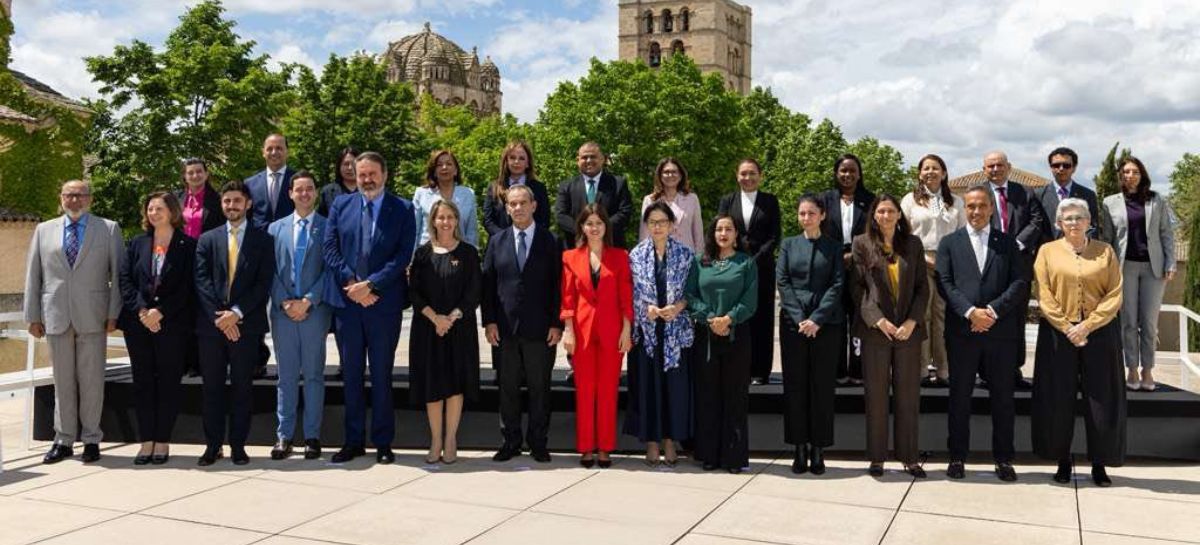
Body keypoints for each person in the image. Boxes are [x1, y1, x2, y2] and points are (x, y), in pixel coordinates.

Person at [322, 151, 416, 465]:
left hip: (382, 305)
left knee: (381, 376)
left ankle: (383, 442)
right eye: (361, 174)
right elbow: (330, 248)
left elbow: (402, 255)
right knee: (350, 376)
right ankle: (352, 441)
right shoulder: (340, 205)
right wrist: (353, 284)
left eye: (372, 173)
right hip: (348, 305)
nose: (366, 179)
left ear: (385, 174)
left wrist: (372, 285)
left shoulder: (402, 209)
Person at [935, 186, 1030, 482]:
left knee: (1003, 398)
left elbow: (1019, 281)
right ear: (966, 209)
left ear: (991, 208)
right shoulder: (949, 243)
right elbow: (944, 282)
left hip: (999, 334)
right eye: (971, 207)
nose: (976, 212)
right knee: (959, 397)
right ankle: (957, 457)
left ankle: (1003, 459)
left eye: (981, 206)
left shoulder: (1008, 244)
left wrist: (991, 312)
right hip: (962, 332)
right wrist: (970, 313)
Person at [25, 180, 123, 464]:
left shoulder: (108, 229)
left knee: (92, 382)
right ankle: (64, 440)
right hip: (55, 316)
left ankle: (92, 439)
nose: (74, 200)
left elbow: (118, 275)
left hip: (94, 316)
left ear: (89, 199)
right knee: (62, 382)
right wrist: (32, 315)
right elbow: (34, 275)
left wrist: (114, 312)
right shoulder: (44, 230)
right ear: (61, 198)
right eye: (69, 195)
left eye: (80, 195)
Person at [1032, 198, 1124, 487]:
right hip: (1059, 334)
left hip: (1099, 332)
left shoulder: (1105, 252)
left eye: (1079, 217)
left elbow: (1115, 293)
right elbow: (1044, 293)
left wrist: (1088, 325)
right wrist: (1066, 326)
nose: (1073, 222)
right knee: (1059, 399)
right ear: (1059, 223)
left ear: (1089, 222)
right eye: (1068, 218)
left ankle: (1099, 464)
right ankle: (1061, 460)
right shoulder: (1047, 251)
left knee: (1101, 399)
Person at [193, 180, 275, 466]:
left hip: (246, 326)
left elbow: (263, 284)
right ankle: (213, 445)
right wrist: (221, 316)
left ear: (248, 204)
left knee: (242, 388)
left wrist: (236, 314)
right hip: (211, 328)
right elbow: (201, 282)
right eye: (227, 201)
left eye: (237, 201)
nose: (231, 206)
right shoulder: (207, 239)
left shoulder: (263, 240)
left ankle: (238, 445)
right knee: (212, 389)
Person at [482, 184, 563, 463]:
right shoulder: (497, 241)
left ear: (534, 206)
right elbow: (488, 285)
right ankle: (511, 441)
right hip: (504, 329)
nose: (517, 208)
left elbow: (557, 286)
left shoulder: (550, 241)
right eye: (512, 204)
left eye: (522, 203)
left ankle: (538, 442)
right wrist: (489, 321)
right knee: (507, 389)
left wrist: (557, 324)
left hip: (541, 330)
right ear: (506, 208)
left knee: (540, 389)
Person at [851, 194, 928, 478]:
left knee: (908, 397)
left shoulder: (913, 244)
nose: (885, 215)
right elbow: (858, 289)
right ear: (874, 215)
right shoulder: (862, 244)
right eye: (880, 211)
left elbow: (923, 288)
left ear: (899, 215)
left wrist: (911, 321)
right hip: (876, 332)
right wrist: (877, 320)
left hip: (908, 332)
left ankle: (909, 457)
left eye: (891, 211)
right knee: (876, 396)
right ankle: (877, 458)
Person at [118, 192, 195, 465]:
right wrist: (141, 310)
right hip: (138, 324)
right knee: (143, 383)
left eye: (159, 208)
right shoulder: (137, 243)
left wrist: (160, 312)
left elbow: (188, 287)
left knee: (168, 383)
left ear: (172, 211)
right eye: (150, 208)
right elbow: (125, 280)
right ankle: (146, 441)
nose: (153, 213)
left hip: (171, 324)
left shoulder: (188, 245)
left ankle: (162, 440)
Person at [408, 200, 481, 465]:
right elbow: (414, 292)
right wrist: (434, 318)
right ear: (433, 221)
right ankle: (435, 439)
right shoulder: (422, 254)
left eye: (451, 217)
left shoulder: (469, 253)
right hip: (428, 328)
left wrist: (450, 318)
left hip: (458, 329)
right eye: (441, 217)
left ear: (457, 220)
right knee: (432, 384)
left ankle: (451, 438)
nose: (446, 222)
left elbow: (474, 293)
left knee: (454, 384)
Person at [267, 172, 333, 461]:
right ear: (290, 194)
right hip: (282, 314)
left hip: (314, 312)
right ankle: (284, 435)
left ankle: (312, 436)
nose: (304, 194)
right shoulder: (274, 229)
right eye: (299, 189)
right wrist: (284, 302)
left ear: (316, 193)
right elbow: (268, 271)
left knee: (314, 375)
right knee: (286, 377)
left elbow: (330, 269)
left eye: (309, 189)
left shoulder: (328, 227)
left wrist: (308, 301)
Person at [561, 204, 633, 468]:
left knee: (607, 392)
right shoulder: (570, 257)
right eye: (589, 223)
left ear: (606, 227)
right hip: (581, 333)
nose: (594, 227)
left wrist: (627, 330)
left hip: (613, 332)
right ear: (582, 226)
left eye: (599, 223)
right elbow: (567, 297)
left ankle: (605, 447)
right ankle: (586, 448)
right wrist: (568, 330)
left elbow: (626, 297)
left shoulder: (620, 256)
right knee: (585, 391)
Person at [777, 195, 844, 475]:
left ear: (822, 215)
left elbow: (838, 283)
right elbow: (783, 281)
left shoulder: (834, 247)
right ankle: (799, 448)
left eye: (811, 213)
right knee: (795, 387)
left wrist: (816, 319)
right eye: (802, 213)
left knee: (821, 387)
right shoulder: (789, 245)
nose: (806, 218)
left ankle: (818, 449)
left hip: (826, 325)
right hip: (794, 325)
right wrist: (799, 318)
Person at [686, 215, 758, 473]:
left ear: (736, 234)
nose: (723, 233)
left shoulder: (746, 262)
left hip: (736, 335)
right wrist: (708, 317)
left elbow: (750, 299)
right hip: (706, 336)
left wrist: (729, 318)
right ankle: (709, 454)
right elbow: (690, 295)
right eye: (719, 229)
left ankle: (734, 457)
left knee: (735, 396)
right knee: (708, 396)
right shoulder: (699, 261)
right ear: (712, 233)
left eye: (729, 229)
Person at [626, 202, 694, 467]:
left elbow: (692, 290)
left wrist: (678, 307)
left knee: (673, 390)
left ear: (671, 225)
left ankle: (670, 441)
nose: (657, 227)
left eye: (662, 222)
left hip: (676, 333)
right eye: (652, 222)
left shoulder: (686, 255)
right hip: (648, 334)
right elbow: (630, 293)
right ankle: (652, 443)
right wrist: (646, 309)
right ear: (647, 225)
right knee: (649, 389)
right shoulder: (635, 256)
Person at [1103, 157, 1177, 392]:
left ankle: (1148, 370)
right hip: (1124, 268)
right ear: (1120, 175)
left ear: (1142, 174)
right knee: (1128, 322)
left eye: (1135, 171)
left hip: (1153, 268)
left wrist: (1171, 262)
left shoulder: (1156, 200)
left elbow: (1166, 233)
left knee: (1149, 323)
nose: (1130, 175)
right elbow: (1107, 239)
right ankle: (1132, 369)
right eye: (1126, 172)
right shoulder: (1109, 203)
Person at [980, 151, 1047, 390]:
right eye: (990, 166)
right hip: (988, 262)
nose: (995, 169)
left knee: (1017, 319)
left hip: (1019, 263)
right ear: (984, 169)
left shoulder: (1025, 192)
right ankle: (987, 372)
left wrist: (1017, 243)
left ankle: (1014, 370)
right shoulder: (978, 194)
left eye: (999, 165)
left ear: (1009, 167)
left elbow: (1037, 221)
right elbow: (973, 222)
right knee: (988, 315)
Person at [900, 154, 965, 387]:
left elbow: (962, 234)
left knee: (942, 317)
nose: (930, 172)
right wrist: (923, 260)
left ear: (944, 173)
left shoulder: (956, 202)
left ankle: (944, 369)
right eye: (925, 168)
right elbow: (903, 235)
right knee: (921, 316)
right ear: (919, 174)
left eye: (935, 168)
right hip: (918, 261)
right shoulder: (909, 200)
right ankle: (920, 370)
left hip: (948, 264)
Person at [717, 158, 780, 386]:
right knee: (737, 317)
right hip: (734, 267)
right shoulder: (727, 201)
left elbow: (775, 236)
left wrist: (754, 261)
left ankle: (760, 371)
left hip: (762, 268)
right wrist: (740, 260)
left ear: (760, 176)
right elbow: (721, 231)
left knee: (762, 318)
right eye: (743, 174)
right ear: (737, 176)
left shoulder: (770, 201)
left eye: (752, 173)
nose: (748, 178)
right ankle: (737, 368)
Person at [820, 154, 876, 385]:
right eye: (843, 170)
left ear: (859, 174)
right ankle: (836, 370)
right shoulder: (824, 199)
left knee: (858, 319)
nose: (847, 175)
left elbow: (874, 234)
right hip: (831, 265)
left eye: (852, 170)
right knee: (834, 320)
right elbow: (818, 231)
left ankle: (858, 370)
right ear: (836, 173)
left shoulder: (870, 200)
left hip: (860, 267)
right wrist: (836, 256)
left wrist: (854, 254)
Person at [175, 158, 221, 379]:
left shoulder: (218, 200)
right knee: (183, 312)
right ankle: (184, 360)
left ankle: (201, 363)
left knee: (203, 312)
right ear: (184, 176)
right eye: (190, 173)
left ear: (206, 174)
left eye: (199, 172)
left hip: (208, 263)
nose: (195, 176)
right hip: (181, 263)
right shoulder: (176, 199)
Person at [554, 141, 633, 248]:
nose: (589, 160)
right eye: (584, 157)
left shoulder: (618, 183)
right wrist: (583, 230)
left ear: (602, 159)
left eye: (593, 157)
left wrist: (601, 228)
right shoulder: (566, 186)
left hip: (611, 246)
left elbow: (625, 212)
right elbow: (560, 215)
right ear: (578, 161)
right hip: (576, 247)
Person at [482, 140, 551, 237]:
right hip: (500, 245)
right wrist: (506, 238)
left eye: (521, 158)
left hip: (531, 244)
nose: (516, 162)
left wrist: (527, 237)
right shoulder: (494, 187)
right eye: (512, 158)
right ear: (506, 161)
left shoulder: (539, 188)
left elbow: (544, 220)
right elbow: (488, 220)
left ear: (528, 163)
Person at [413, 149, 479, 248]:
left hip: (460, 254)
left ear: (456, 170)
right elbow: (414, 230)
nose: (444, 167)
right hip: (427, 254)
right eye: (439, 165)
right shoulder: (421, 193)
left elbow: (471, 231)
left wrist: (472, 256)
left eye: (449, 164)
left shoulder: (468, 194)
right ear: (434, 171)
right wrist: (411, 259)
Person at [1035, 147, 1102, 242]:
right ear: (1051, 168)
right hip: (1048, 251)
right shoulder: (1038, 194)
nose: (1061, 169)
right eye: (1056, 165)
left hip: (1079, 251)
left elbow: (1093, 227)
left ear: (1074, 168)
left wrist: (1087, 249)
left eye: (1066, 165)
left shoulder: (1088, 195)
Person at [638, 158, 704, 253]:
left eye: (674, 172)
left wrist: (699, 257)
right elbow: (644, 233)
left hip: (687, 257)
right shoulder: (650, 200)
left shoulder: (692, 199)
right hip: (660, 257)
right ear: (660, 176)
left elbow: (698, 232)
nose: (670, 175)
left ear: (681, 175)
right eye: (666, 172)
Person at [246, 133, 298, 230]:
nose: (274, 152)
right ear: (263, 152)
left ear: (287, 152)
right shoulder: (250, 184)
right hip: (259, 241)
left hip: (290, 239)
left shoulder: (298, 181)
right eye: (269, 149)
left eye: (279, 148)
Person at [318, 147, 359, 217]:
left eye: (354, 164)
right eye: (346, 164)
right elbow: (322, 220)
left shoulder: (369, 190)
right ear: (339, 166)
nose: (350, 168)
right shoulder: (328, 192)